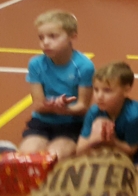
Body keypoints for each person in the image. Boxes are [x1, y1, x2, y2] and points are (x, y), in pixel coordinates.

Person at [19, 10, 94, 160]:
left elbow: (83, 106)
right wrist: (53, 105)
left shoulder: (84, 66)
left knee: (53, 157)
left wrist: (64, 109)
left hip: (71, 124)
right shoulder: (36, 64)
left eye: (53, 36)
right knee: (27, 156)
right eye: (41, 37)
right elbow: (38, 104)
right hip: (42, 122)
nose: (45, 42)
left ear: (72, 36)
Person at [76, 61, 138, 195]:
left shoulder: (136, 116)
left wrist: (111, 142)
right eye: (96, 90)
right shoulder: (94, 112)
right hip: (108, 147)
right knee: (82, 180)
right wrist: (94, 139)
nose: (99, 96)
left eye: (107, 91)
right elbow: (79, 150)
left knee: (137, 187)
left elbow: (131, 151)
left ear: (126, 90)